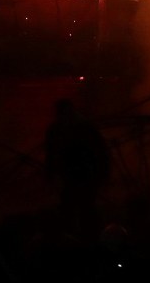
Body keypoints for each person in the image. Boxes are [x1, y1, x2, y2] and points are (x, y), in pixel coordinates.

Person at [44, 98, 110, 234]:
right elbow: (51, 154)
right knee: (76, 205)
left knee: (81, 206)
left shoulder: (80, 128)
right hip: (76, 174)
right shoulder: (64, 129)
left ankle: (84, 235)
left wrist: (103, 172)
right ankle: (80, 235)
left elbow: (100, 151)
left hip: (83, 174)